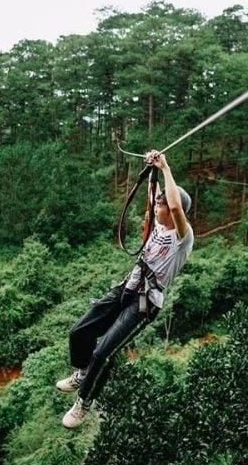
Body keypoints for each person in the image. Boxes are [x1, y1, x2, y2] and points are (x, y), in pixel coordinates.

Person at [56, 150, 194, 428]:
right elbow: (153, 192)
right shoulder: (157, 221)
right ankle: (83, 371)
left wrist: (166, 167)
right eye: (157, 203)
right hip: (128, 287)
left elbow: (177, 207)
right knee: (79, 332)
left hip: (145, 303)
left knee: (103, 353)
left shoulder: (183, 237)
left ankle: (84, 402)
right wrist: (153, 166)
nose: (157, 206)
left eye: (162, 204)